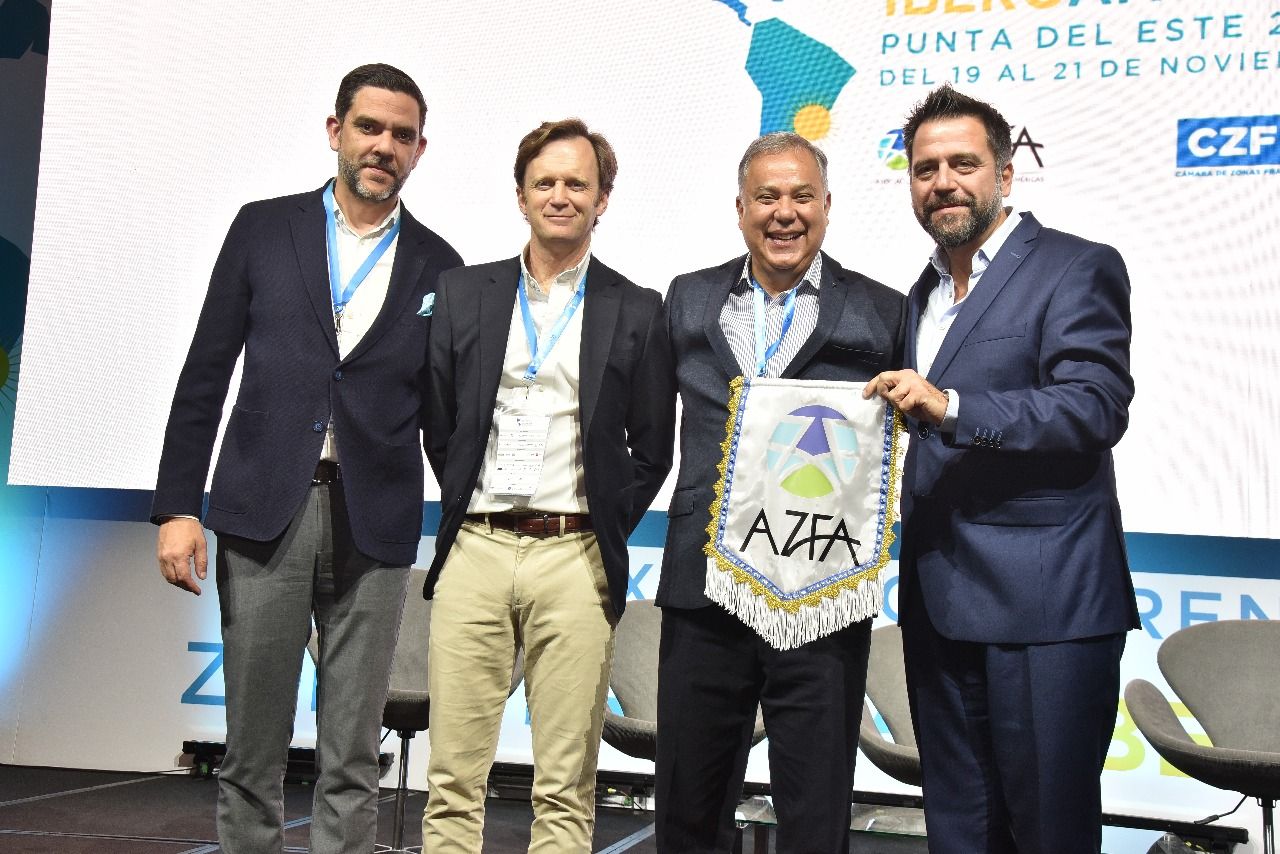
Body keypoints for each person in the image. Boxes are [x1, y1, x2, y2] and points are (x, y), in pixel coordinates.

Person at [151, 63, 462, 854]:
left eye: (400, 134)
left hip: (377, 526)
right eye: (369, 127)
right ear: (336, 132)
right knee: (253, 752)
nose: (382, 145)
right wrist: (179, 506)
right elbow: (205, 372)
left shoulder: (441, 263)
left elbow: (441, 416)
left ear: (420, 150)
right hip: (264, 512)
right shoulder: (264, 227)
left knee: (352, 756)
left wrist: (468, 523)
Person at [862, 85, 1140, 853]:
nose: (943, 182)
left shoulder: (1074, 267)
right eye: (925, 169)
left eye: (963, 164)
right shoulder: (920, 293)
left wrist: (950, 405)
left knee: (1048, 828)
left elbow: (1092, 407)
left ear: (1006, 175)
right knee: (960, 826)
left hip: (1044, 609)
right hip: (938, 600)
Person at [421, 118, 676, 853]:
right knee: (453, 780)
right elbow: (440, 426)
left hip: (575, 557)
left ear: (603, 201)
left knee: (565, 784)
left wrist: (596, 525)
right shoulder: (464, 293)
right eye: (546, 182)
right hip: (474, 548)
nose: (560, 195)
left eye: (577, 184)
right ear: (521, 195)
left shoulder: (638, 307)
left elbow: (651, 450)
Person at [656, 131, 906, 853]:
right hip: (705, 587)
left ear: (827, 206)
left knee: (815, 811)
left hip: (820, 591)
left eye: (801, 196)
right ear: (740, 208)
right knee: (687, 809)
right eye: (767, 197)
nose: (784, 213)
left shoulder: (883, 311)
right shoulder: (689, 298)